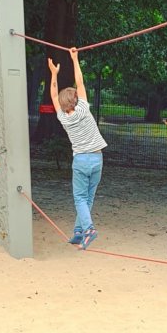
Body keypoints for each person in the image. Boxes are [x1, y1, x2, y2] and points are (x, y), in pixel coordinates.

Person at [47, 47, 107, 250]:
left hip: (81, 160)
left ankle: (88, 229)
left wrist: (53, 74)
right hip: (97, 159)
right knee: (87, 197)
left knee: (80, 198)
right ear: (76, 100)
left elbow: (54, 96)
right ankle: (79, 232)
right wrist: (75, 59)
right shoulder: (83, 108)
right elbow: (79, 82)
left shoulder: (63, 117)